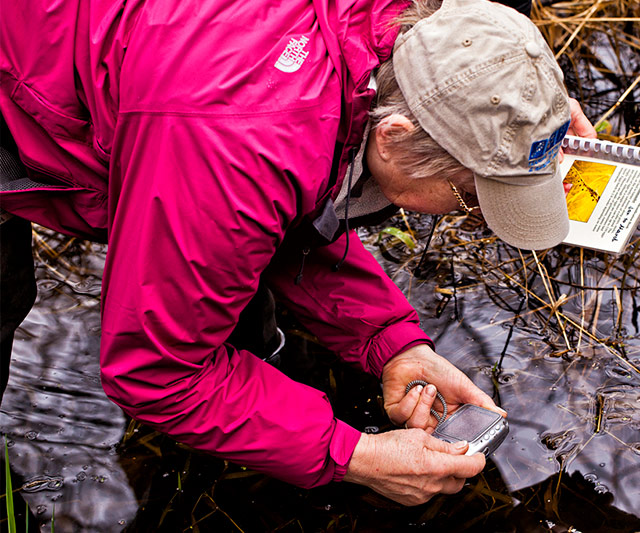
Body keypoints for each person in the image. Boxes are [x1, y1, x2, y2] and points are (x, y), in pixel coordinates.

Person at [0, 0, 595, 506]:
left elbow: (287, 209)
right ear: (395, 136)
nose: (474, 213)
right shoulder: (234, 148)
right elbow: (157, 369)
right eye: (468, 194)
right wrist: (354, 455)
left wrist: (391, 341)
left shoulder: (398, 31)